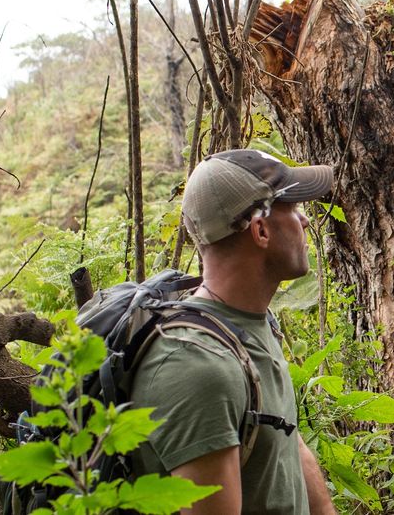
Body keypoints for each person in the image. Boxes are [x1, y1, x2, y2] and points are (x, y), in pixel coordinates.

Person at [131, 149, 338, 514]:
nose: (304, 221)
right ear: (260, 230)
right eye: (292, 207)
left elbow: (287, 442)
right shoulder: (198, 367)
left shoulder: (250, 324)